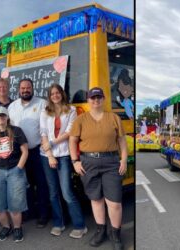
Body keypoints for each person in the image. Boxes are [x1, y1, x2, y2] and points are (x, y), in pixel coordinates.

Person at [69, 87, 128, 250]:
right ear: (88, 100)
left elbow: (122, 141)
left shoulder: (114, 118)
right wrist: (75, 161)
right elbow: (72, 141)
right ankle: (101, 231)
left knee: (114, 202)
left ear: (103, 99)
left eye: (99, 97)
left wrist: (123, 159)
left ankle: (115, 234)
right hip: (88, 162)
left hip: (111, 162)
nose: (96, 101)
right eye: (93, 98)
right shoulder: (80, 120)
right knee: (96, 199)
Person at [40, 84, 87, 238]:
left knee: (67, 192)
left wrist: (53, 144)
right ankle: (58, 223)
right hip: (47, 155)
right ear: (49, 96)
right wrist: (50, 154)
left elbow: (70, 132)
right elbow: (43, 132)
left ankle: (80, 225)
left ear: (62, 94)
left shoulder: (71, 110)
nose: (55, 95)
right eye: (52, 93)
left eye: (57, 92)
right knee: (53, 193)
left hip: (64, 154)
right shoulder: (45, 111)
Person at [8, 78, 50, 227]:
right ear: (18, 90)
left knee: (41, 183)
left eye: (28, 88)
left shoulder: (42, 104)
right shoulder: (12, 107)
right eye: (23, 88)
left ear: (32, 88)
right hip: (19, 153)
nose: (25, 90)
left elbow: (47, 126)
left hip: (38, 151)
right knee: (25, 184)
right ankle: (30, 211)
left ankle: (43, 215)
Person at [0, 106, 28, 242]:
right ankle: (6, 227)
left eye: (3, 115)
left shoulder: (16, 131)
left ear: (7, 117)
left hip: (14, 170)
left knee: (15, 204)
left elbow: (25, 151)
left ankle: (17, 228)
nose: (1, 118)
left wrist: (18, 168)